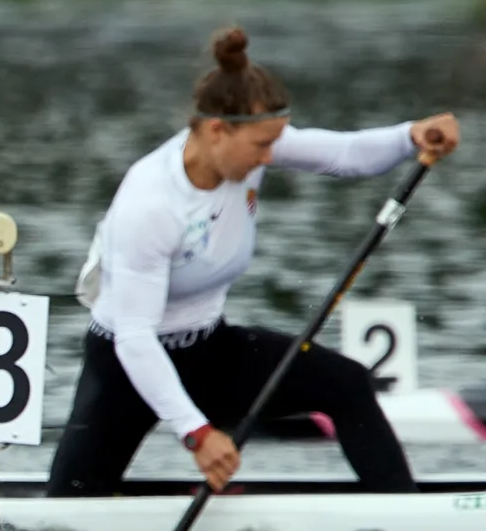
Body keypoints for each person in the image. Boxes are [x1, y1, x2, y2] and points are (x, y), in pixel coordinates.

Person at [47, 26, 459, 498]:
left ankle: (400, 516)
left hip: (209, 349)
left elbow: (346, 155)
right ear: (217, 130)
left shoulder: (250, 146)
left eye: (276, 143)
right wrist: (197, 434)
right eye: (262, 145)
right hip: (127, 365)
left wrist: (411, 135)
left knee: (346, 384)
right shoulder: (151, 202)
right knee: (71, 505)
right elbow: (135, 336)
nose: (271, 156)